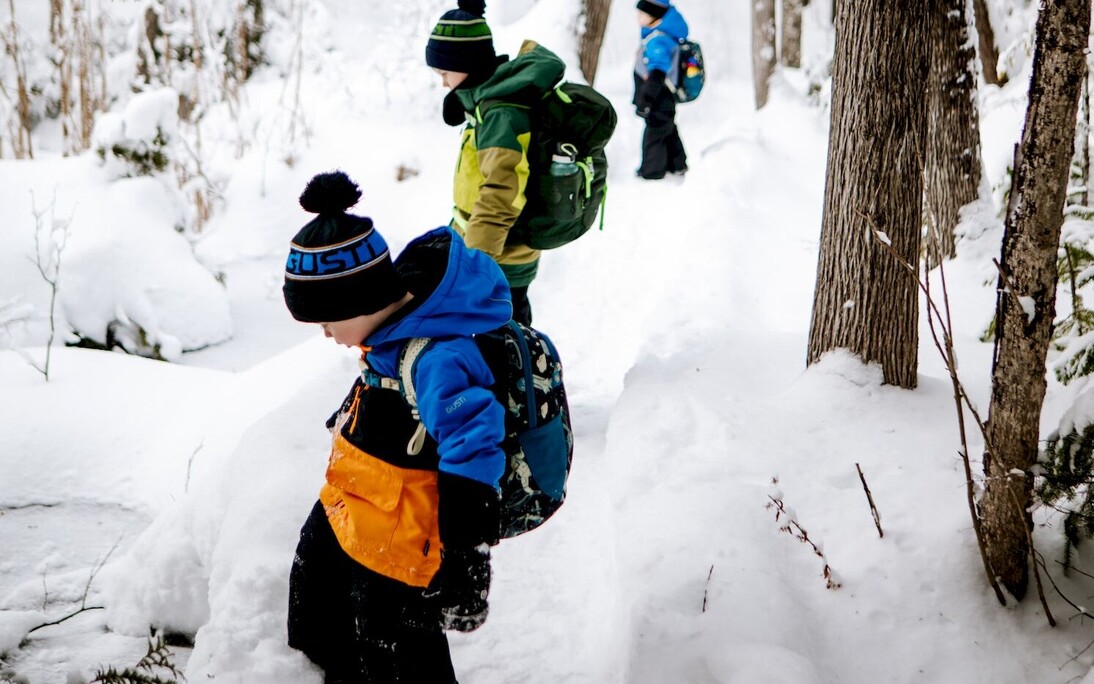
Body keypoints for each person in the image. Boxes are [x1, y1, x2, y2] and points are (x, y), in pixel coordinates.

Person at [283, 170, 511, 683]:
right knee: (326, 624)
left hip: (403, 548)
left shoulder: (435, 358)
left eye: (326, 320)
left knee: (401, 658)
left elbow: (474, 445)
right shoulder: (387, 337)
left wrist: (466, 558)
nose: (325, 334)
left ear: (357, 300)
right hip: (359, 515)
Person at [425, 0, 566, 326]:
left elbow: (501, 192)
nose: (443, 83)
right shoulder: (487, 104)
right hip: (490, 249)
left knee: (503, 337)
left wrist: (475, 267)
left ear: (467, 65)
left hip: (500, 258)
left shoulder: (500, 114)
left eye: (444, 73)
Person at [634, 0, 689, 180]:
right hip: (663, 96)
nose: (638, 17)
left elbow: (658, 72)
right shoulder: (660, 36)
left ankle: (652, 172)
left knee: (655, 132)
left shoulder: (658, 40)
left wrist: (646, 99)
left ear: (655, 17)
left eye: (643, 14)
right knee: (667, 128)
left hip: (659, 96)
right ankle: (677, 165)